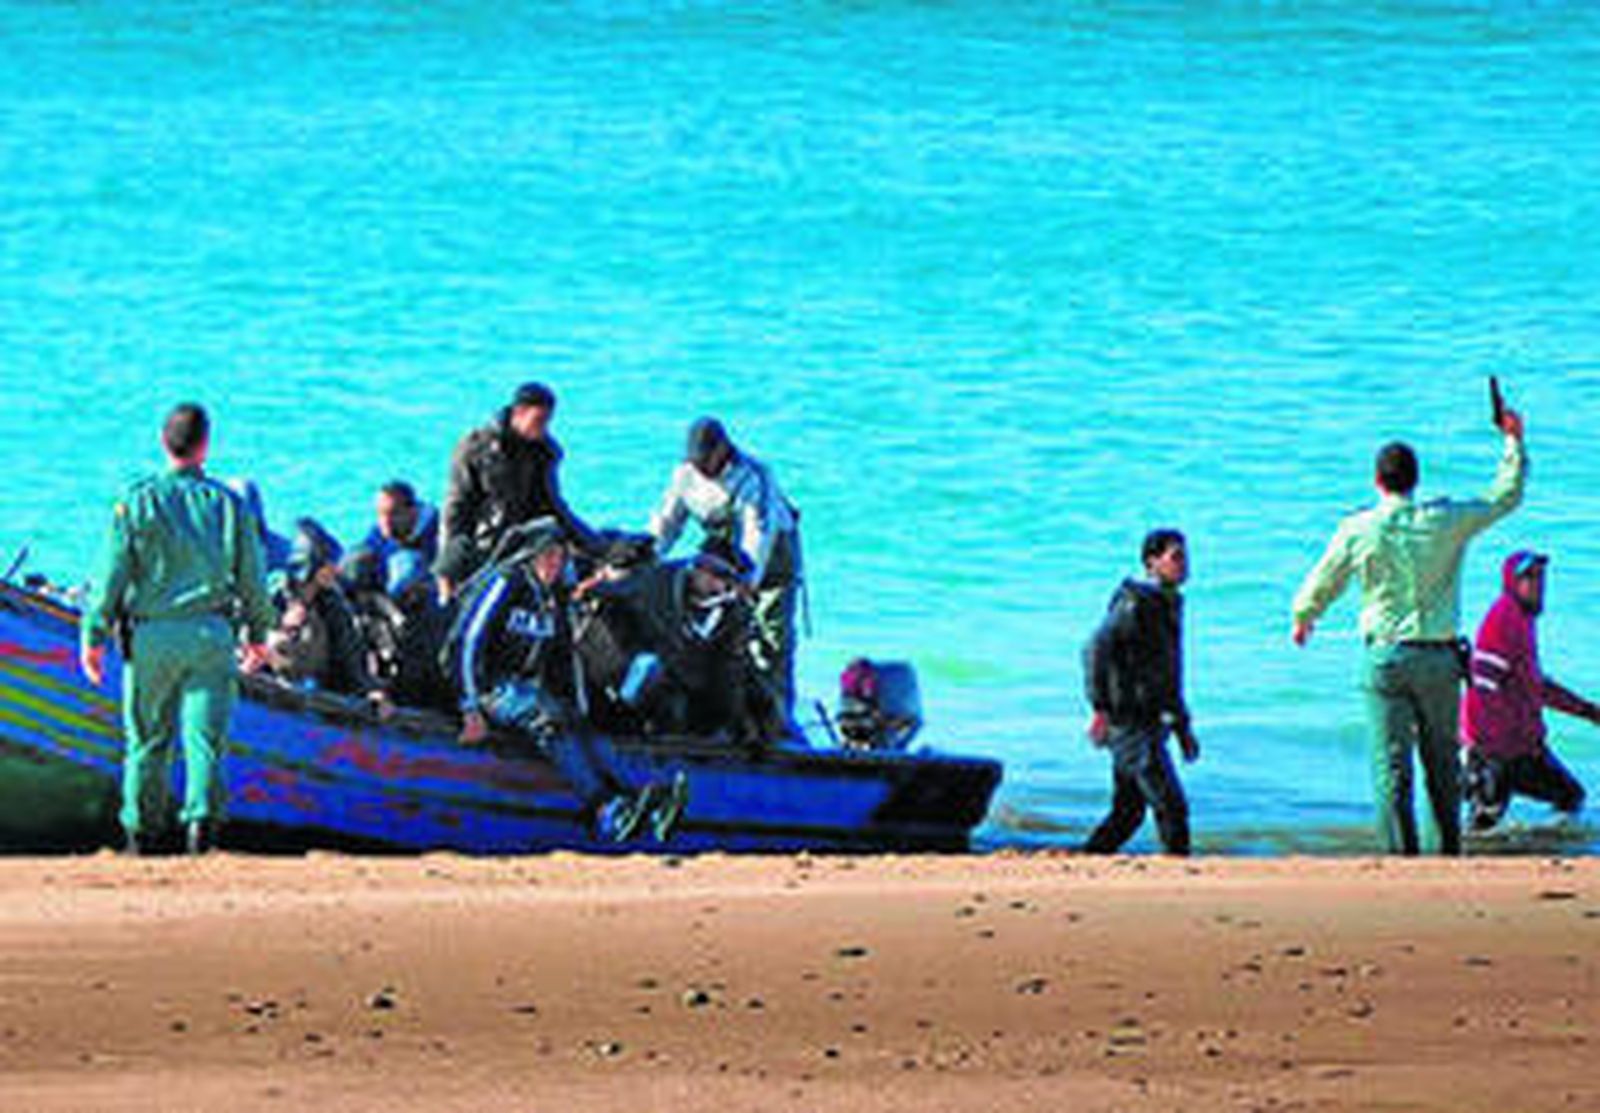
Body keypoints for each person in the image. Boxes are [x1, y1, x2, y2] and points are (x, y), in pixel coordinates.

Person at [1291, 406, 1527, 855]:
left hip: (1385, 658)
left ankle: (1401, 860)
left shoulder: (1358, 527)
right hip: (1438, 658)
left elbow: (1326, 578)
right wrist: (1512, 440)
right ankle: (1445, 856)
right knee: (1442, 763)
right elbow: (1503, 497)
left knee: (1391, 768)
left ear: (1377, 482)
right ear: (1415, 479)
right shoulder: (1445, 519)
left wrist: (1304, 617)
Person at [80, 403, 276, 856]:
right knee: (205, 741)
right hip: (210, 636)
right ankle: (200, 836)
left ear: (163, 444)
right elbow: (252, 579)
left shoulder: (138, 500)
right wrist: (260, 634)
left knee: (148, 741)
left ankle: (141, 838)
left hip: (150, 637)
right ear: (205, 446)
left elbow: (111, 577)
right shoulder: (227, 505)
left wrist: (93, 635)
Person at [446, 520, 687, 843]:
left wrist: (581, 707)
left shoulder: (555, 597)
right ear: (531, 556)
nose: (554, 564)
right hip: (490, 685)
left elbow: (565, 658)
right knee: (547, 719)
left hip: (526, 687)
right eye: (547, 556)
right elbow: (467, 642)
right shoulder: (507, 583)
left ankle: (642, 797)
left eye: (560, 557)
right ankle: (605, 808)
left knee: (573, 720)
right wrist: (470, 706)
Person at [648, 418, 803, 725]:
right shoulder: (685, 475)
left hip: (770, 561)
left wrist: (747, 582)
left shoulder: (753, 477)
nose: (702, 466)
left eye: (707, 458)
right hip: (722, 561)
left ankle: (779, 717)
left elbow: (758, 534)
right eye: (696, 460)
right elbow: (667, 522)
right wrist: (645, 558)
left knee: (771, 641)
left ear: (723, 450)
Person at [1082, 529, 1200, 856]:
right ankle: (1180, 875)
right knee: (1171, 805)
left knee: (1128, 813)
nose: (1184, 564)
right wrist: (1100, 708)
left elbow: (1169, 675)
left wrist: (1182, 728)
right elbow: (1095, 648)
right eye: (1175, 557)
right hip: (1128, 722)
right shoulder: (1136, 603)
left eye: (1185, 557)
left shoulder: (1169, 602)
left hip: (1149, 723)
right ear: (1152, 563)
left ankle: (1086, 863)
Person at [1462, 551, 1595, 831]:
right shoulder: (1502, 620)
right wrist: (1484, 750)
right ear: (1511, 581)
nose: (1536, 583)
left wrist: (1586, 710)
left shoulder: (1524, 620)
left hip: (1524, 749)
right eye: (1528, 577)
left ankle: (1543, 845)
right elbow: (1481, 686)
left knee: (1570, 797)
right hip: (1494, 751)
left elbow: (1537, 686)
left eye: (1540, 576)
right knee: (1484, 824)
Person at [436, 382, 597, 603]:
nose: (544, 428)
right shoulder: (476, 448)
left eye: (548, 422)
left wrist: (593, 544)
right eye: (539, 421)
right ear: (518, 413)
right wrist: (448, 570)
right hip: (484, 545)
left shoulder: (545, 452)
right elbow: (456, 509)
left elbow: (552, 506)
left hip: (527, 542)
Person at [257, 519, 394, 720]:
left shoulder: (332, 605)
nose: (335, 571)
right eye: (327, 566)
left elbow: (350, 653)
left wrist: (369, 690)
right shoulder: (272, 597)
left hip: (316, 691)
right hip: (271, 684)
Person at [343, 480, 440, 599]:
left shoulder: (437, 532)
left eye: (393, 514)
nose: (386, 522)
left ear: (412, 512)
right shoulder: (382, 531)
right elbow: (367, 546)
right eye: (380, 514)